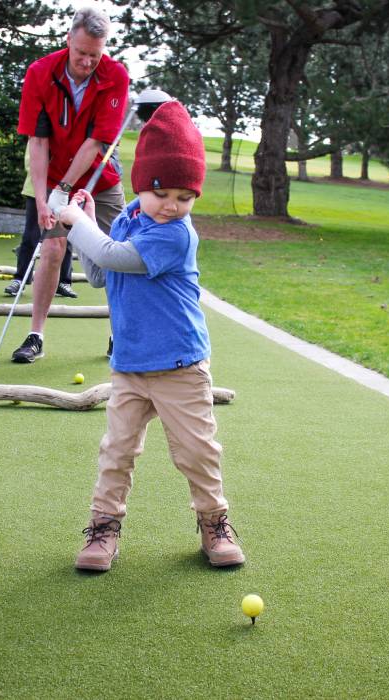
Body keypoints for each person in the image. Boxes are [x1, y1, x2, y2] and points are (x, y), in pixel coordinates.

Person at [58, 101, 245, 572]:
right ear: (141, 184)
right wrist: (85, 227)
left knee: (197, 453)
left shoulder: (175, 235)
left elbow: (115, 257)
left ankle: (213, 523)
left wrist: (78, 225)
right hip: (130, 365)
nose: (173, 206)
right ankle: (103, 530)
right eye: (162, 193)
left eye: (186, 196)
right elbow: (100, 273)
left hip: (180, 365)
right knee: (116, 452)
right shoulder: (127, 221)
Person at [11, 6, 128, 363]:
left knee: (118, 255)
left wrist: (65, 187)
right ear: (68, 41)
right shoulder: (40, 73)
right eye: (81, 53)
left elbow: (96, 143)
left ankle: (119, 337)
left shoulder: (115, 75)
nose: (88, 61)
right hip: (52, 173)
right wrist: (46, 200)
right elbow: (38, 141)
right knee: (51, 251)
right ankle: (35, 337)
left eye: (95, 54)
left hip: (101, 178)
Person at [4, 144, 77, 301]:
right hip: (36, 190)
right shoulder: (39, 133)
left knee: (64, 236)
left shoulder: (66, 134)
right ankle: (20, 278)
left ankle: (64, 281)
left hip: (62, 189)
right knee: (31, 236)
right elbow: (32, 161)